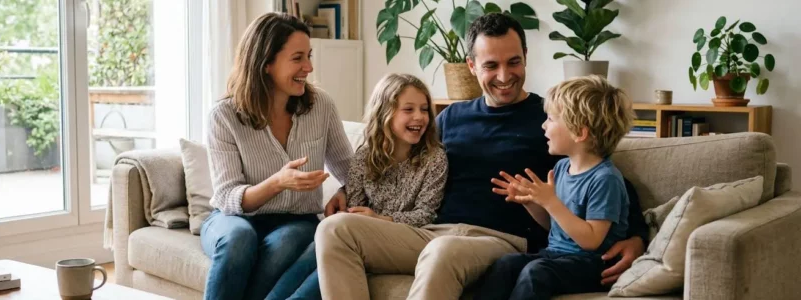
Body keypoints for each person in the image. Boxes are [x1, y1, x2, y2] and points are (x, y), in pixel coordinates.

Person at [316, 13, 650, 300]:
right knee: (334, 230)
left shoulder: (555, 121)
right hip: (434, 232)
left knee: (442, 252)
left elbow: (606, 177)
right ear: (472, 66)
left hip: (500, 242)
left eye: (513, 62)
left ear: (526, 57)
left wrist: (636, 236)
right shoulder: (449, 119)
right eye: (491, 65)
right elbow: (398, 165)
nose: (505, 76)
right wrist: (347, 189)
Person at [200, 12, 354, 300]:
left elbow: (351, 170)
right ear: (266, 63)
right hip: (232, 218)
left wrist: (345, 190)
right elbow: (227, 198)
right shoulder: (223, 116)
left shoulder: (321, 106)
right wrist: (278, 183)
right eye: (297, 58)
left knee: (291, 239)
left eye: (309, 56)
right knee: (238, 239)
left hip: (297, 220)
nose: (308, 67)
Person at [267, 73, 448, 300]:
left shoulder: (434, 158)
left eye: (424, 110)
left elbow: (427, 214)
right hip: (362, 235)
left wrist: (382, 219)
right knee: (318, 249)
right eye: (408, 109)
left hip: (405, 239)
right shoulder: (365, 156)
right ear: (385, 113)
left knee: (327, 239)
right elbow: (353, 205)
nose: (419, 117)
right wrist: (357, 210)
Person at [474, 75, 635, 299]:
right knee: (507, 264)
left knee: (536, 273)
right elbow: (555, 227)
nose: (543, 125)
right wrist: (532, 202)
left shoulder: (605, 179)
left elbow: (591, 240)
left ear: (580, 132)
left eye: (550, 119)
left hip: (594, 264)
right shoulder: (561, 168)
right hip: (556, 255)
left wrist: (551, 201)